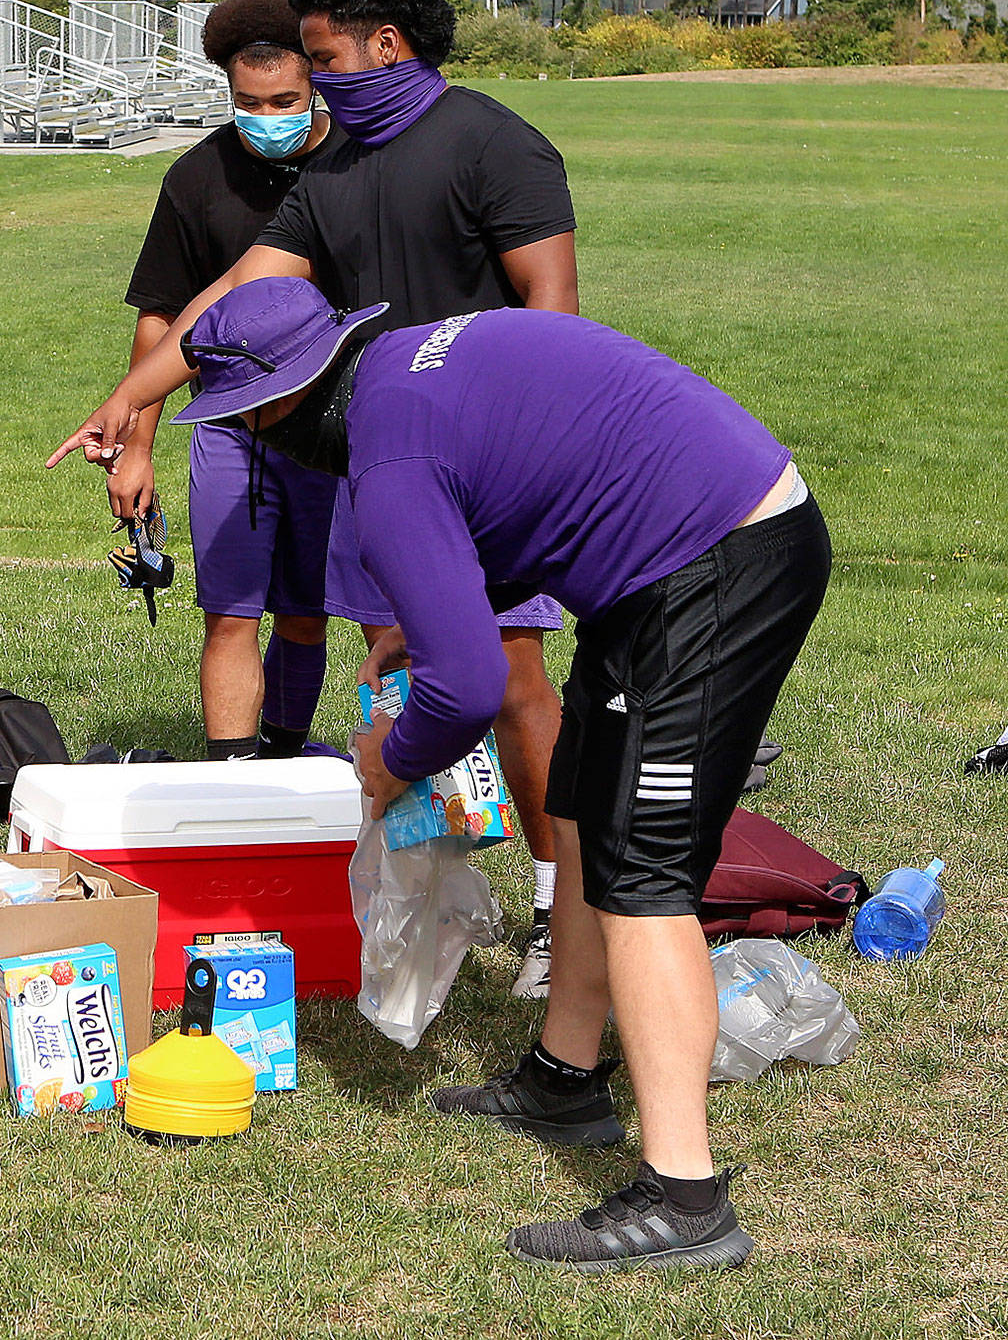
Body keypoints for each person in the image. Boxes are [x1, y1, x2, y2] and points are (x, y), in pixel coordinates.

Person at [145, 279, 828, 1270]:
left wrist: (387, 758)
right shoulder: (399, 368)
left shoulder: (384, 458)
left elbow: (467, 688)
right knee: (586, 811)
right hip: (658, 566)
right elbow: (517, 493)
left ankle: (685, 1202)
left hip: (719, 560)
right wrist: (427, 627)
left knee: (643, 876)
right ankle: (563, 1079)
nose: (250, 434)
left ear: (279, 400)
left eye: (246, 415)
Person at [59, 0, 579, 999]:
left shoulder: (494, 144)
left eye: (322, 56)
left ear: (384, 46)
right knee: (403, 656)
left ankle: (553, 909)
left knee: (516, 677)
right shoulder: (333, 171)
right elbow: (236, 295)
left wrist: (516, 462)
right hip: (389, 458)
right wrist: (136, 396)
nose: (312, 79)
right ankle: (397, 891)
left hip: (493, 459)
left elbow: (555, 317)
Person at [110, 0, 335, 762]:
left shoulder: (356, 165)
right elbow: (160, 319)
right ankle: (234, 778)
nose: (267, 115)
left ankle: (285, 754)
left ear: (316, 85)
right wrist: (136, 447)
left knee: (308, 615)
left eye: (286, 100)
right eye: (249, 101)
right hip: (229, 432)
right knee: (230, 612)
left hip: (331, 433)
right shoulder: (196, 177)